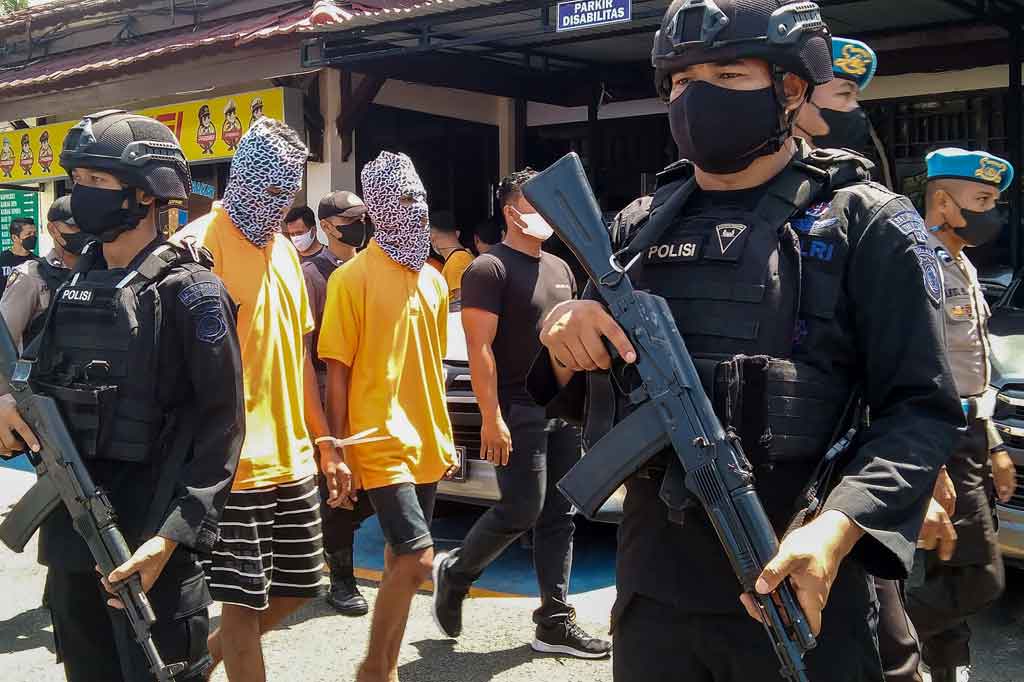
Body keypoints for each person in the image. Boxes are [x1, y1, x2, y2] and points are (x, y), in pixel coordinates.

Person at [527, 2, 964, 680]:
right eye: (680, 81)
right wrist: (563, 339)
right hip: (653, 595)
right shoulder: (637, 228)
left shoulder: (865, 223)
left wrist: (837, 529)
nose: (694, 96)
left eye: (727, 74)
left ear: (790, 90)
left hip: (800, 581)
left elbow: (921, 411)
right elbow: (586, 391)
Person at [0, 110, 244, 682]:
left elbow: (222, 429)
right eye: (76, 180)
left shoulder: (192, 294)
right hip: (71, 538)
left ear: (144, 195)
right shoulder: (66, 286)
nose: (80, 195)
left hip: (149, 549)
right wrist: (8, 402)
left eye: (97, 182)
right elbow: (30, 375)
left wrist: (170, 539)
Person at [173, 118, 344, 682]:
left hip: (290, 458)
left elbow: (297, 358)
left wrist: (324, 444)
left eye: (288, 195)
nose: (279, 206)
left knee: (303, 586)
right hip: (233, 462)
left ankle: (199, 661)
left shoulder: (286, 254)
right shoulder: (196, 250)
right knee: (244, 608)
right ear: (242, 179)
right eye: (270, 192)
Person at [431, 170, 611, 658]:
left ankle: (553, 622)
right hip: (517, 408)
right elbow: (479, 349)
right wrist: (492, 417)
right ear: (512, 212)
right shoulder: (488, 269)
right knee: (521, 508)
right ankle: (457, 572)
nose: (548, 215)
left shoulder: (560, 268)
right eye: (537, 205)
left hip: (562, 411)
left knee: (561, 516)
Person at [795, 37, 925, 682]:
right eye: (843, 96)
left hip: (850, 480)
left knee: (886, 644)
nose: (857, 114)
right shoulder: (690, 211)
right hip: (769, 485)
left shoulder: (864, 209)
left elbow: (911, 381)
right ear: (793, 99)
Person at [318, 151, 456, 682]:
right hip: (376, 438)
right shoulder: (350, 279)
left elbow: (432, 366)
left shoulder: (435, 281)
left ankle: (384, 667)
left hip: (427, 439)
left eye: (419, 197)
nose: (415, 208)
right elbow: (338, 372)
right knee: (420, 557)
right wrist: (336, 447)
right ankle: (375, 669)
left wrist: (442, 437)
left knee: (405, 561)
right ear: (377, 207)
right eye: (402, 199)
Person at [906, 148, 1018, 682]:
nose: (993, 214)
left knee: (951, 563)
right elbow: (917, 369)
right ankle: (884, 636)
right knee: (980, 577)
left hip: (972, 432)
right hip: (941, 438)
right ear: (944, 203)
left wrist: (994, 444)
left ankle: (947, 667)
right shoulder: (918, 264)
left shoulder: (962, 263)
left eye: (996, 201)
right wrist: (934, 465)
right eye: (982, 201)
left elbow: (973, 370)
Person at [285, 198, 374, 617]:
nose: (359, 226)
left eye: (362, 218)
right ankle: (341, 579)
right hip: (327, 396)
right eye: (348, 221)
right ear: (326, 226)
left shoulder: (371, 270)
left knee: (370, 487)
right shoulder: (311, 276)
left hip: (369, 396)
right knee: (338, 491)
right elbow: (303, 352)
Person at [0, 195, 90, 348]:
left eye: (87, 225)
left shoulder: (101, 271)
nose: (83, 231)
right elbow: (5, 344)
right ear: (53, 230)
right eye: (75, 225)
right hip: (48, 369)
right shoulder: (31, 275)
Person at [795, 37, 876, 152]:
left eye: (856, 97)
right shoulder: (768, 168)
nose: (855, 106)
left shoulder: (855, 169)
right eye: (844, 93)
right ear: (795, 94)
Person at [429, 210, 474, 300]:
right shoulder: (462, 256)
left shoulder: (456, 261)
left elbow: (461, 303)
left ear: (432, 236)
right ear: (457, 234)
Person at [318, 190, 374, 263]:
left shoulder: (372, 266)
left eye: (361, 217)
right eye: (349, 218)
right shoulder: (311, 271)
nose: (359, 223)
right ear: (326, 226)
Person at [0, 216, 37, 297]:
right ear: (14, 237)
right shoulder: (2, 260)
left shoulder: (37, 262)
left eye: (34, 233)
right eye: (28, 234)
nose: (33, 237)